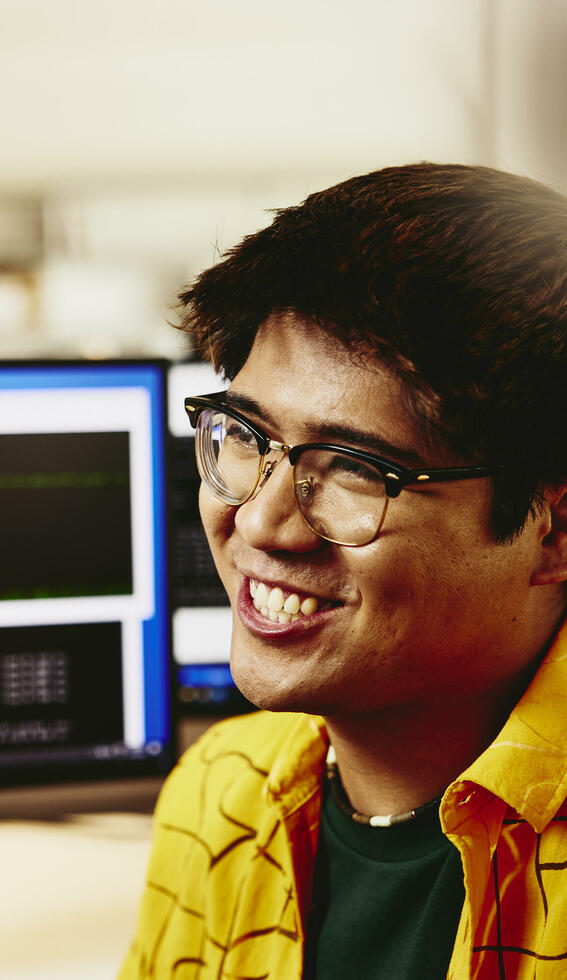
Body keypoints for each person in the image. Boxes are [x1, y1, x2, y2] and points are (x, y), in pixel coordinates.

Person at [119, 163, 567, 980]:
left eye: (355, 469)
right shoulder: (222, 793)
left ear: (553, 532)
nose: (257, 520)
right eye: (243, 435)